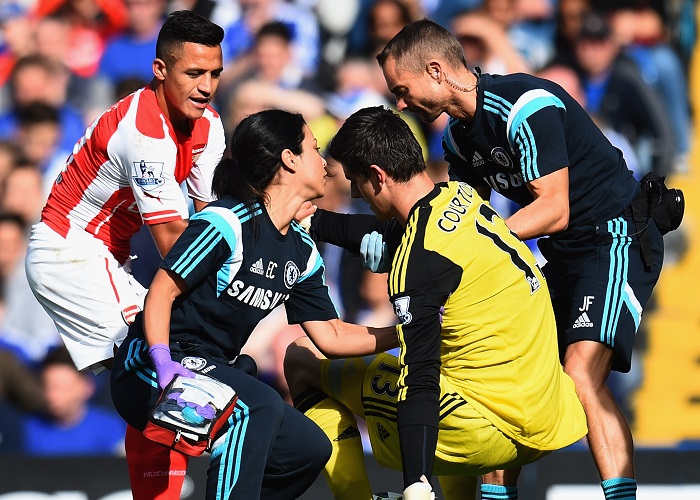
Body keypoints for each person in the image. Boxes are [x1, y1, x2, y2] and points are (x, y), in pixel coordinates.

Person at [371, 19, 665, 500]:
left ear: (436, 71)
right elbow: (464, 215)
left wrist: (476, 241)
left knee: (580, 373)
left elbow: (553, 209)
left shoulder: (525, 106)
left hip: (614, 238)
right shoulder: (458, 139)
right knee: (505, 378)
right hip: (562, 253)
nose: (400, 104)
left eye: (402, 90)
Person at [285, 106, 587, 500]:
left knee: (302, 360)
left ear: (377, 175)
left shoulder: (417, 263)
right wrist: (316, 223)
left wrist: (416, 482)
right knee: (454, 368)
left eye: (356, 183)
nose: (355, 194)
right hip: (549, 415)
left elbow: (420, 378)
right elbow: (393, 229)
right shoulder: (461, 196)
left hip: (487, 432)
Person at [110, 109, 399, 499]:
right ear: (289, 159)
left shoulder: (303, 251)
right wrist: (162, 362)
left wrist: (406, 331)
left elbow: (332, 336)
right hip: (149, 369)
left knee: (307, 449)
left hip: (214, 370)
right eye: (315, 149)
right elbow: (161, 292)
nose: (325, 162)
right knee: (258, 406)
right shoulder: (226, 222)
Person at [24, 9, 226, 499]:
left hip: (106, 256)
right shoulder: (144, 133)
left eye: (215, 73)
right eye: (193, 73)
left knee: (159, 367)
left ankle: (159, 485)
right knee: (158, 355)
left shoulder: (210, 125)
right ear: (160, 70)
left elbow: (210, 218)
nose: (206, 86)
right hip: (69, 252)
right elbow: (175, 242)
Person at [23, 346, 126, 456]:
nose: (52, 396)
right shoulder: (28, 428)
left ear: (87, 387)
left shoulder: (111, 427)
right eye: (47, 387)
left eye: (63, 388)